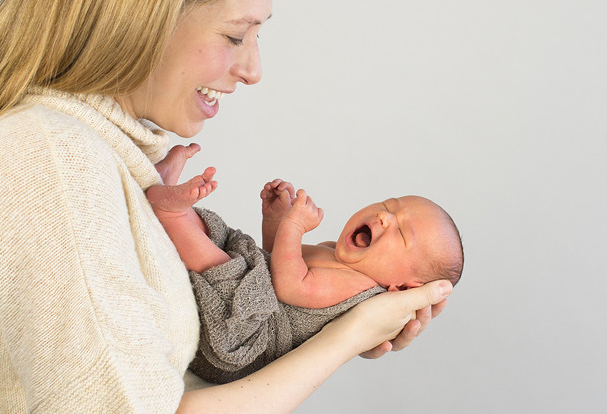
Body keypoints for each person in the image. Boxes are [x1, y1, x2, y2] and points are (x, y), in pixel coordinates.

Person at [0, 0, 452, 414]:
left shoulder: (95, 156)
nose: (253, 69)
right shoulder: (53, 159)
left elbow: (163, 386)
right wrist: (346, 337)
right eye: (236, 35)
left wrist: (326, 323)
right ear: (142, 17)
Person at [147, 144, 463, 383]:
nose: (384, 216)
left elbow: (288, 286)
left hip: (244, 339)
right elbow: (277, 262)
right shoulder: (335, 254)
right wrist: (276, 220)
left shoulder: (359, 287)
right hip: (255, 303)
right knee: (222, 238)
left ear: (403, 287)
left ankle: (171, 213)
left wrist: (294, 227)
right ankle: (169, 192)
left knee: (229, 270)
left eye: (402, 232)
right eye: (389, 205)